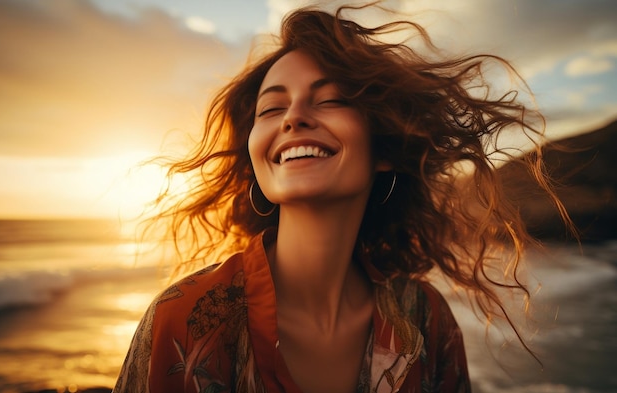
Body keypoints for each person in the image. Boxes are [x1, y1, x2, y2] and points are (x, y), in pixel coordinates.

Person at [113, 4, 569, 393]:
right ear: (255, 154)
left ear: (385, 149)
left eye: (330, 99)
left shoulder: (427, 321)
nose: (293, 118)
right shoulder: (183, 319)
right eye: (272, 108)